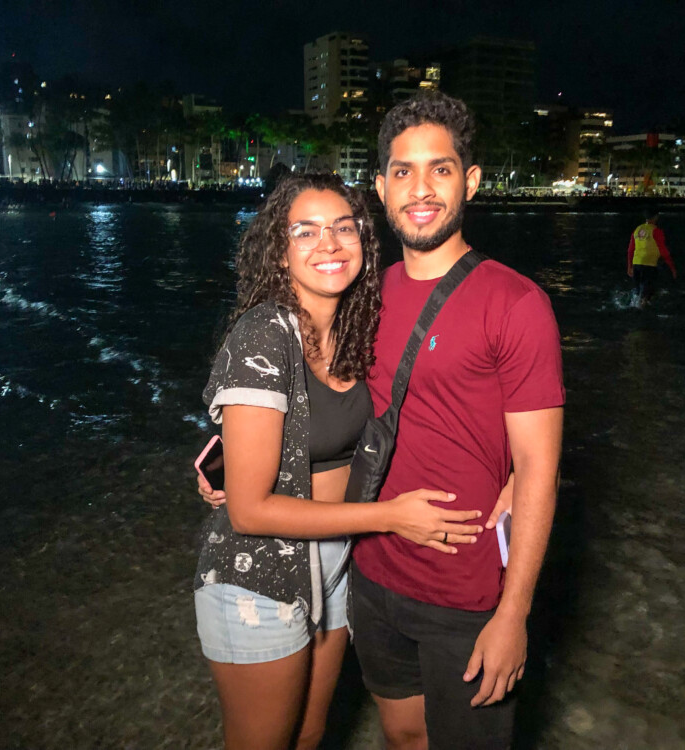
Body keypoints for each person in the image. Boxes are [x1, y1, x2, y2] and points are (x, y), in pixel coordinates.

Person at [191, 172, 485, 750]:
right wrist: (390, 517)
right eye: (305, 231)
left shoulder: (354, 331)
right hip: (259, 577)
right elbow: (250, 512)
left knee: (310, 735)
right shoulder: (264, 334)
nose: (328, 243)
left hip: (333, 566)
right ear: (279, 251)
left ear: (364, 242)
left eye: (343, 228)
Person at [349, 91, 565, 750]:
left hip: (466, 596)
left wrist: (513, 613)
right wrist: (238, 457)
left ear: (470, 181)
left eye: (439, 169)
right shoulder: (366, 292)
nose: (420, 189)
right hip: (372, 573)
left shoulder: (515, 302)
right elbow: (322, 400)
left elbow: (538, 466)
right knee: (402, 736)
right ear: (381, 187)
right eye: (403, 171)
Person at [626, 209, 677, 307]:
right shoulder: (656, 231)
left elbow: (630, 250)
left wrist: (629, 266)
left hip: (636, 264)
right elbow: (664, 251)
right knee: (647, 294)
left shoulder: (637, 230)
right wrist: (672, 268)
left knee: (638, 292)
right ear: (656, 217)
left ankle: (634, 307)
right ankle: (641, 309)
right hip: (649, 265)